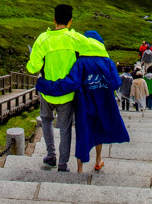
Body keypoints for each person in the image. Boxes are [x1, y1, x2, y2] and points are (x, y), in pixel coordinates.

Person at [26, 4, 107, 172]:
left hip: (47, 91)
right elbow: (99, 48)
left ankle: (51, 156)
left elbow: (33, 68)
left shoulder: (42, 39)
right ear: (70, 21)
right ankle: (63, 164)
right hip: (67, 92)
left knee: (46, 121)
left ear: (54, 19)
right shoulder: (74, 38)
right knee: (65, 128)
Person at [35, 30, 129, 173]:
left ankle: (80, 169)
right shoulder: (108, 62)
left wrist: (44, 85)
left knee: (82, 133)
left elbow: (70, 83)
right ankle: (98, 159)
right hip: (103, 103)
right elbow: (116, 83)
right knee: (99, 129)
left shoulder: (80, 62)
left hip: (84, 104)